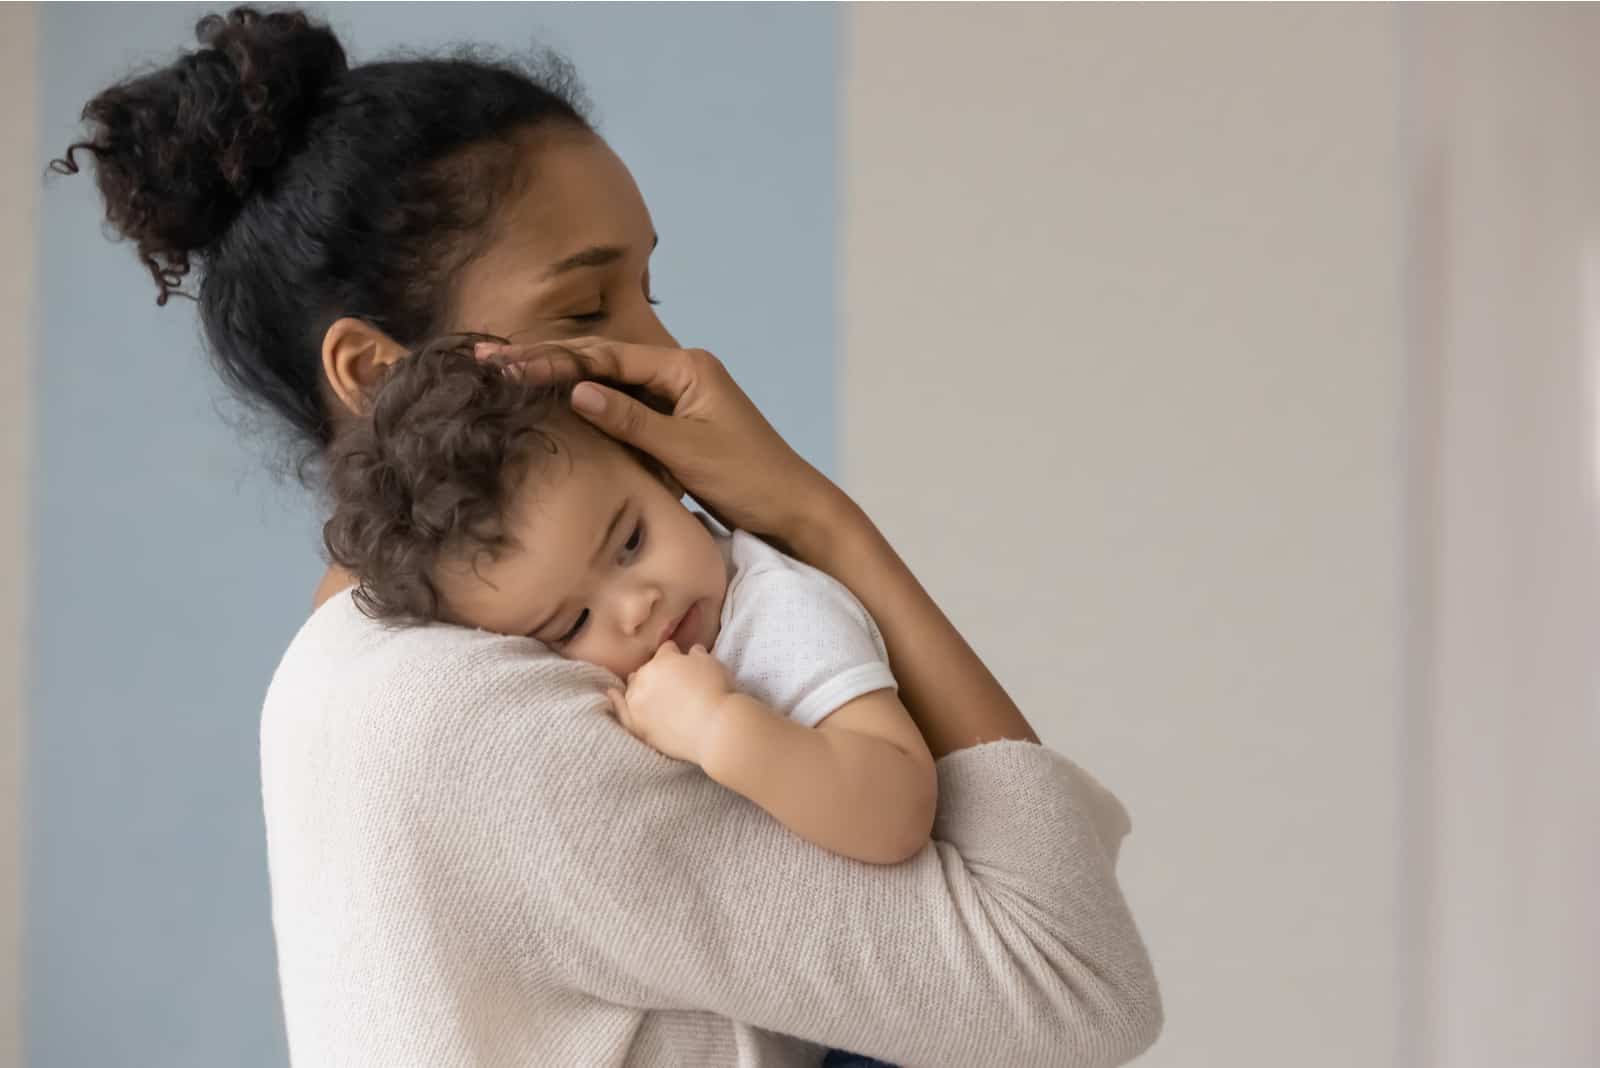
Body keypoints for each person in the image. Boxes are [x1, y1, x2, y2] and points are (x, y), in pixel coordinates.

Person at [57, 7, 1163, 1066]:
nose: (678, 358)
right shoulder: (468, 720)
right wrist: (818, 520)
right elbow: (1072, 983)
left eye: (650, 291)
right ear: (379, 375)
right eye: (587, 310)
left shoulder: (386, 669)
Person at [321, 338, 938, 868]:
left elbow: (899, 806)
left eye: (631, 541)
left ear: (662, 473)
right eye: (574, 623)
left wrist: (719, 729)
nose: (636, 608)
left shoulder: (778, 613)